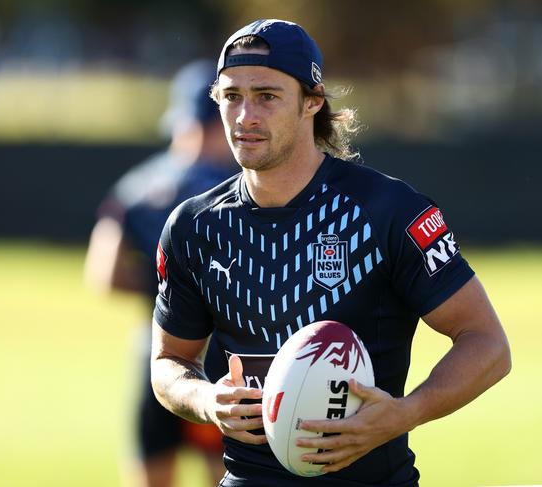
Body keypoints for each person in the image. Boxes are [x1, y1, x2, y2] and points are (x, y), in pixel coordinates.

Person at [150, 19, 511, 487]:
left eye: (267, 96)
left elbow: (487, 343)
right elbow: (168, 362)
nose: (244, 117)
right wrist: (203, 400)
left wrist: (406, 413)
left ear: (312, 102)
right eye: (231, 96)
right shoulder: (194, 226)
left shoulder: (389, 211)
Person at [84, 60, 237, 487]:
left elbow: (103, 273)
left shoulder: (136, 186)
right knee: (226, 474)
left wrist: (164, 291)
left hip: (153, 354)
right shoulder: (236, 188)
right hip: (220, 360)